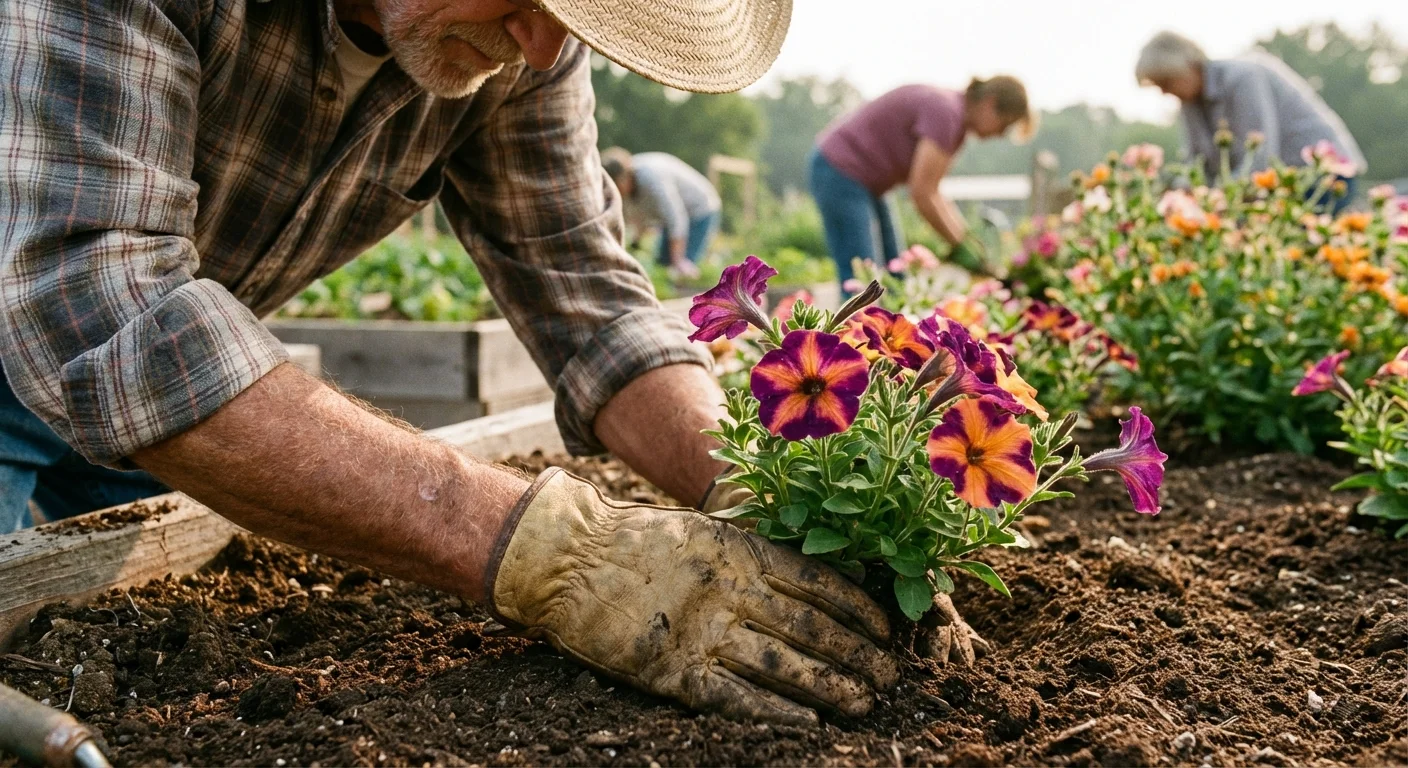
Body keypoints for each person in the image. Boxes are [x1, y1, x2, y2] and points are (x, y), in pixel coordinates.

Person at [0, 0, 929, 725]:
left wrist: (763, 487)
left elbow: (585, 289)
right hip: (44, 344)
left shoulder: (530, 43)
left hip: (173, 407)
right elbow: (95, 297)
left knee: (113, 647)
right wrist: (553, 550)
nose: (537, 45)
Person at [809, 77, 1035, 292]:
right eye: (1004, 125)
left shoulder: (955, 121)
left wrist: (966, 240)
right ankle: (855, 332)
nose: (1000, 134)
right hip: (840, 169)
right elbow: (922, 194)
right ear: (990, 103)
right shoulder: (946, 113)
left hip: (868, 181)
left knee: (895, 274)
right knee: (862, 279)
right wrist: (959, 244)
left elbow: (934, 191)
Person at [1135, 31, 1366, 211]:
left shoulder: (1243, 78)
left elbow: (1261, 156)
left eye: (1166, 81)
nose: (1164, 92)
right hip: (1272, 188)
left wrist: (1215, 199)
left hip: (1320, 177)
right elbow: (1196, 165)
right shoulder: (1189, 103)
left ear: (1189, 64)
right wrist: (1173, 195)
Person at [601, 149, 722, 280]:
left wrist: (678, 261)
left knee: (680, 269)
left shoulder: (652, 179)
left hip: (699, 210)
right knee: (663, 264)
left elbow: (676, 219)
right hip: (674, 219)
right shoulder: (630, 188)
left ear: (623, 178)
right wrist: (635, 243)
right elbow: (638, 217)